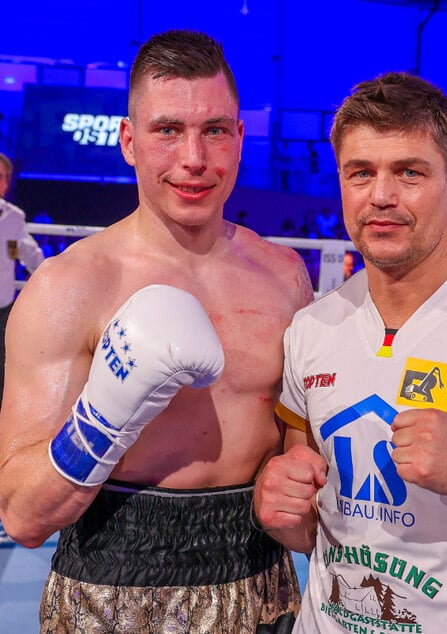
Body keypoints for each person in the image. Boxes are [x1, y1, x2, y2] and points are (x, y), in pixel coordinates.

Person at [0, 30, 314, 633]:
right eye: (168, 130)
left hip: (260, 585)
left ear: (240, 140)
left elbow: (296, 463)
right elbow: (21, 516)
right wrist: (104, 417)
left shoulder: (285, 277)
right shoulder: (69, 288)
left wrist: (291, 477)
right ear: (128, 141)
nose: (193, 159)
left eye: (215, 130)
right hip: (109, 585)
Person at [252, 72, 447, 632]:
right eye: (361, 173)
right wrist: (276, 502)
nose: (382, 196)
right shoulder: (311, 328)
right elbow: (305, 524)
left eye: (409, 173)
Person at [0, 152, 45, 407]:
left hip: (3, 305)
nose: (3, 184)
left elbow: (28, 252)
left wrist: (50, 276)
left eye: (5, 178)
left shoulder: (14, 217)